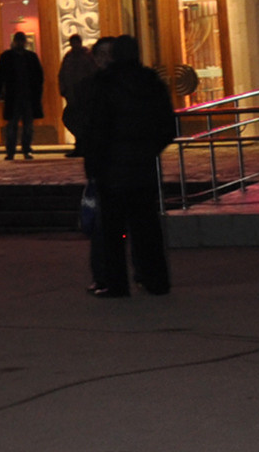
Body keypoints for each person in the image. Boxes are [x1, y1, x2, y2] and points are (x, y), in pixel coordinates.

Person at [61, 34, 178, 298]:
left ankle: (116, 283)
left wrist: (94, 163)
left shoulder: (105, 83)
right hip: (143, 168)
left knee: (112, 231)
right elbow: (167, 126)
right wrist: (150, 149)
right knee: (147, 227)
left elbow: (95, 129)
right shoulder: (151, 83)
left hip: (111, 168)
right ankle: (156, 280)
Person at [0, 30, 45, 160]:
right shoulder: (18, 57)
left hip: (24, 96)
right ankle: (14, 150)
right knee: (15, 125)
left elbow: (39, 77)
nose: (21, 43)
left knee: (23, 125)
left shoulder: (22, 57)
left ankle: (22, 149)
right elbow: (0, 75)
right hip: (16, 96)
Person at [55, 33, 101, 158]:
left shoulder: (87, 56)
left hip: (85, 94)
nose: (74, 45)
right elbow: (62, 74)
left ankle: (85, 145)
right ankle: (79, 145)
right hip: (72, 95)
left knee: (83, 121)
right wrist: (63, 89)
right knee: (71, 119)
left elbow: (94, 73)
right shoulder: (68, 57)